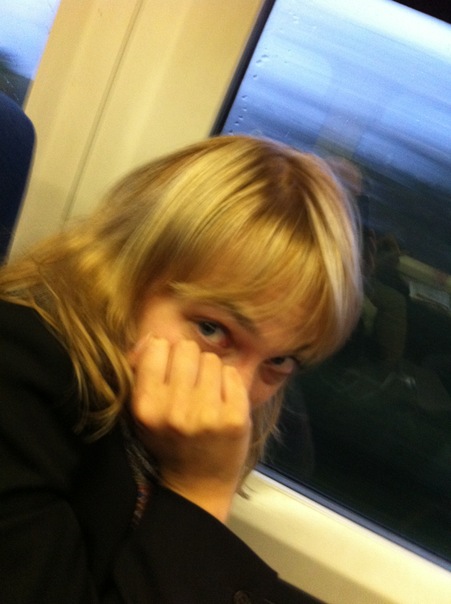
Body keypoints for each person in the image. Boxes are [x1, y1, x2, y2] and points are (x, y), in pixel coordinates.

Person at [0, 135, 362, 603]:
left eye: (280, 361)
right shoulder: (19, 368)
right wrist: (200, 489)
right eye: (212, 329)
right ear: (124, 273)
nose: (240, 394)